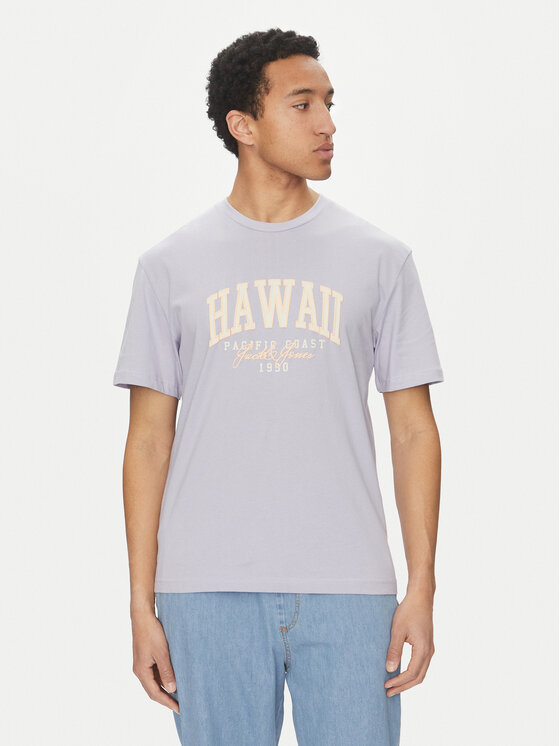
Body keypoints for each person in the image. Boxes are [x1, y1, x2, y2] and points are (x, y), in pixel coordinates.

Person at [112, 27, 444, 746]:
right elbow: (148, 442)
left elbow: (414, 430)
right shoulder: (169, 266)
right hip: (205, 590)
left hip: (351, 588)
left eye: (328, 102)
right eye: (302, 104)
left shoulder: (380, 259)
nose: (328, 124)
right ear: (244, 125)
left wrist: (422, 586)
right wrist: (141, 606)